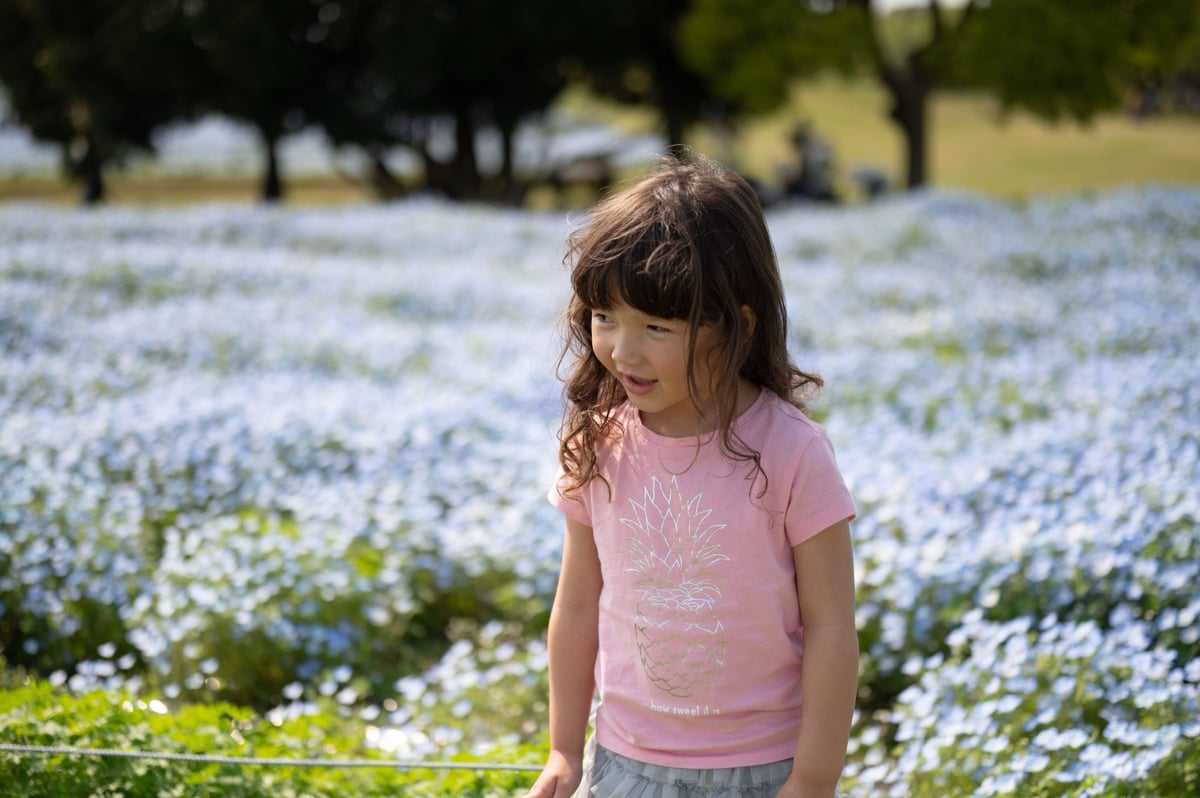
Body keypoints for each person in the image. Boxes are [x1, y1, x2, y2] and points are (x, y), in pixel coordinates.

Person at [527, 152, 858, 798]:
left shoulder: (793, 453)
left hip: (767, 770)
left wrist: (814, 777)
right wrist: (565, 750)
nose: (624, 350)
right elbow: (576, 607)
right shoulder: (602, 444)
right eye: (605, 318)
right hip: (626, 763)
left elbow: (831, 629)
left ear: (737, 324)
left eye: (656, 326)